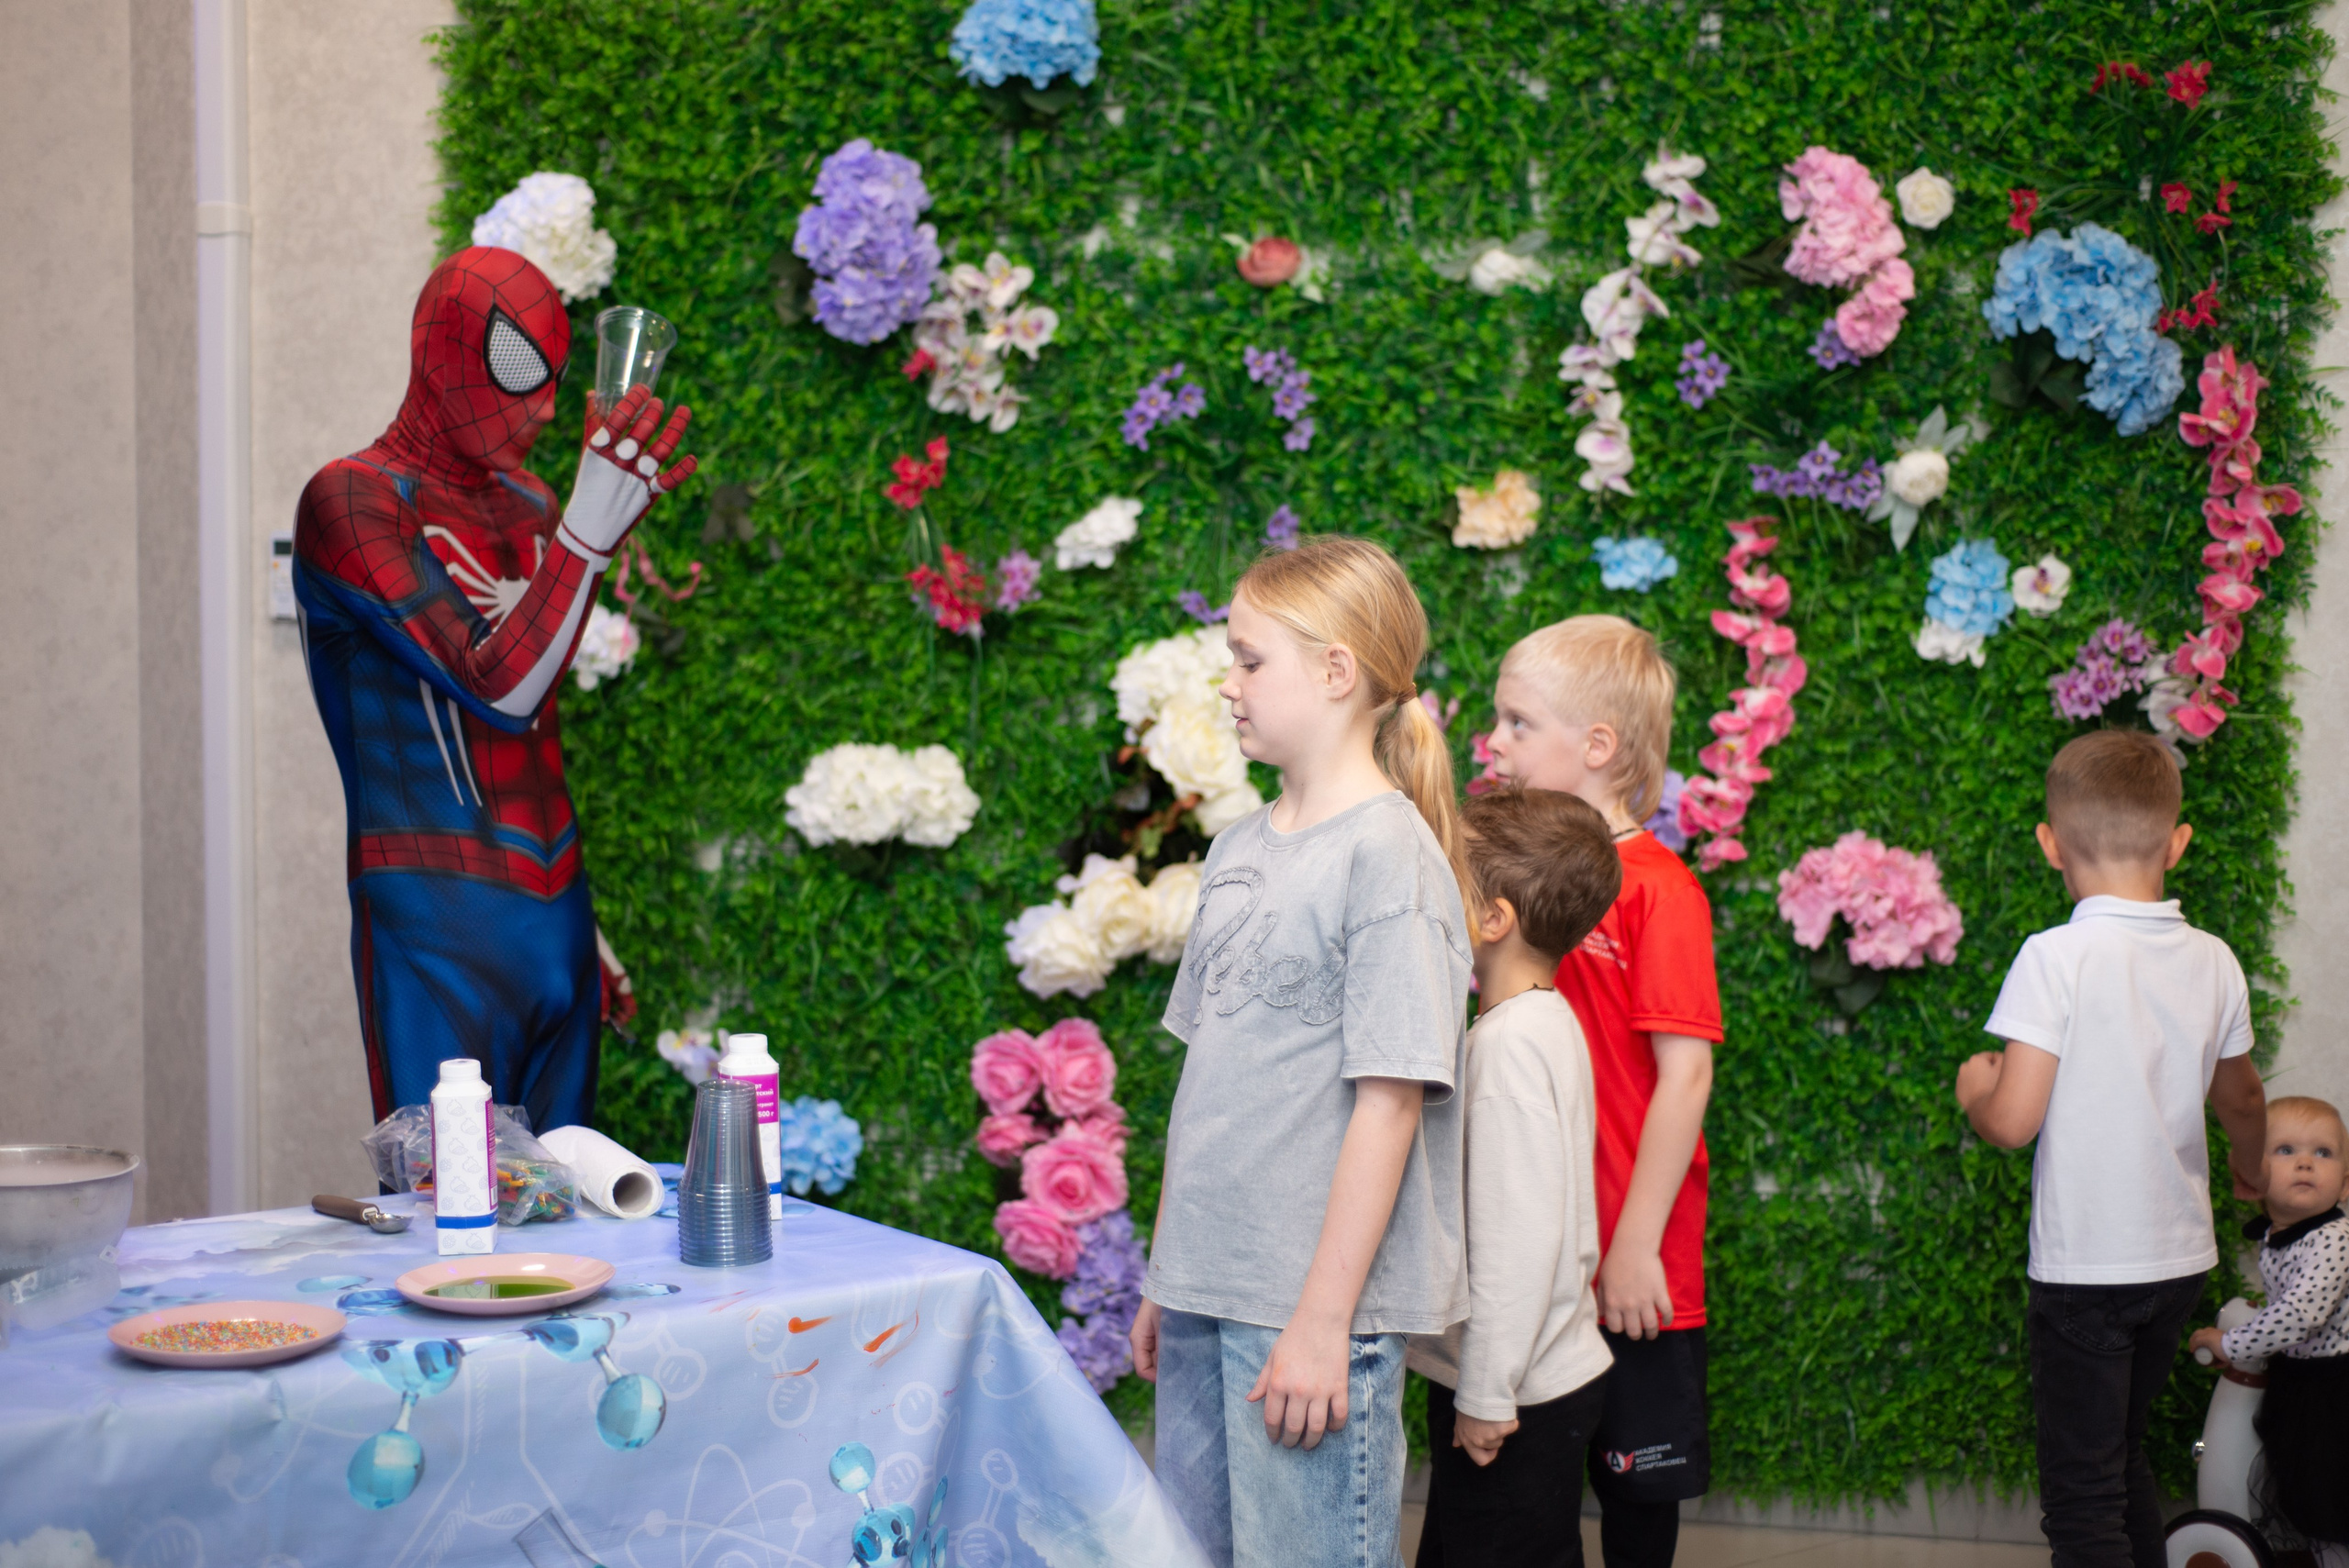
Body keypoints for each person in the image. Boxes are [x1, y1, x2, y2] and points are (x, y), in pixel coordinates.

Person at [1130, 536, 1475, 1568]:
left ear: (1335, 672)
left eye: (1247, 659)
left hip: (1309, 1314)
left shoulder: (1389, 855)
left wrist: (1323, 1323)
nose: (1226, 684)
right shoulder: (1237, 847)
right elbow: (1213, 1087)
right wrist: (1165, 1272)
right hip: (1204, 1289)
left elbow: (1390, 1102)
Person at [294, 247, 695, 1133]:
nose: (546, 408)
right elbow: (496, 688)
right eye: (518, 372)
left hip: (551, 910)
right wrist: (588, 539)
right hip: (434, 917)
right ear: (443, 353)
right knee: (457, 1225)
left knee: (571, 1223)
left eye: (554, 377)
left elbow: (532, 728)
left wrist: (576, 926)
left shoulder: (529, 501)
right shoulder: (353, 502)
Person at [1955, 728, 2267, 1568]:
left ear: (2050, 845)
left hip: (2088, 1270)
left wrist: (1975, 1090)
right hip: (2180, 1262)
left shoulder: (2054, 956)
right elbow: (2240, 1095)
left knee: (2082, 1489)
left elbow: (2015, 1119)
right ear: (2178, 842)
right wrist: (2248, 1163)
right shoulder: (2215, 959)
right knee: (2122, 1452)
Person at [1482, 615, 1716, 1568]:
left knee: (1635, 1494)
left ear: (1597, 746)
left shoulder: (1660, 890)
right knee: (1519, 1483)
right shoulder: (1514, 880)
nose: (1493, 743)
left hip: (1630, 1259)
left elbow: (1685, 1072)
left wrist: (1631, 1248)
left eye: (1515, 722)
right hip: (1531, 1250)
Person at [1409, 787, 1622, 1568]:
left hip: (1517, 1390)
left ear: (1493, 918)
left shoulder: (1505, 1048)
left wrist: (1487, 1392)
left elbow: (1516, 1240)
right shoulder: (1542, 1021)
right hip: (1533, 1376)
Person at [2188, 1095, 2349, 1567]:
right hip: (2302, 1381)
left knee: (2330, 1496)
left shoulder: (2334, 1240)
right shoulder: (2281, 1234)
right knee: (2303, 1489)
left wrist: (2230, 1343)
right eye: (2285, 1150)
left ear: (2345, 1183)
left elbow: (2302, 1313)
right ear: (2251, 1177)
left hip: (2336, 1386)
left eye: (2323, 1153)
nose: (2305, 1161)